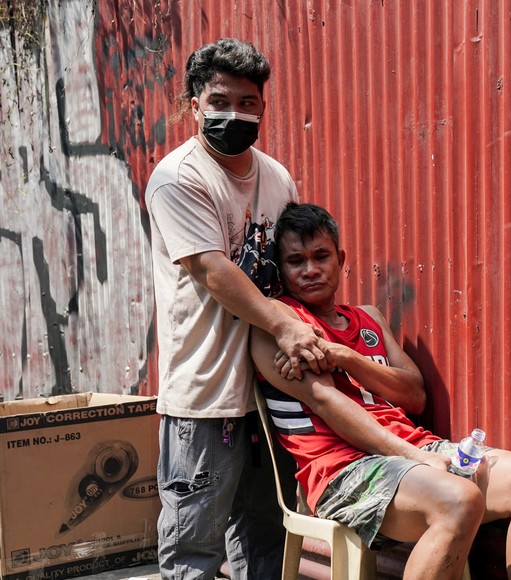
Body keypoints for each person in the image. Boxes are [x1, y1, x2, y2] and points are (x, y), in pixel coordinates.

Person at [251, 203, 511, 580]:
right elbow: (325, 400)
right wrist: (413, 456)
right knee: (459, 501)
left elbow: (414, 394)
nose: (310, 270)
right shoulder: (279, 323)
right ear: (281, 270)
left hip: (415, 451)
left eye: (321, 256)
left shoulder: (368, 318)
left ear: (341, 259)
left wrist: (349, 358)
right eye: (295, 261)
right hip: (342, 471)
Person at [144, 39, 333, 579]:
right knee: (194, 546)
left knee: (267, 538)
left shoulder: (276, 177)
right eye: (221, 101)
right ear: (193, 103)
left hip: (271, 389)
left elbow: (294, 264)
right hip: (206, 395)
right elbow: (213, 271)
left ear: (263, 107)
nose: (236, 114)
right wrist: (285, 325)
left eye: (249, 103)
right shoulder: (179, 177)